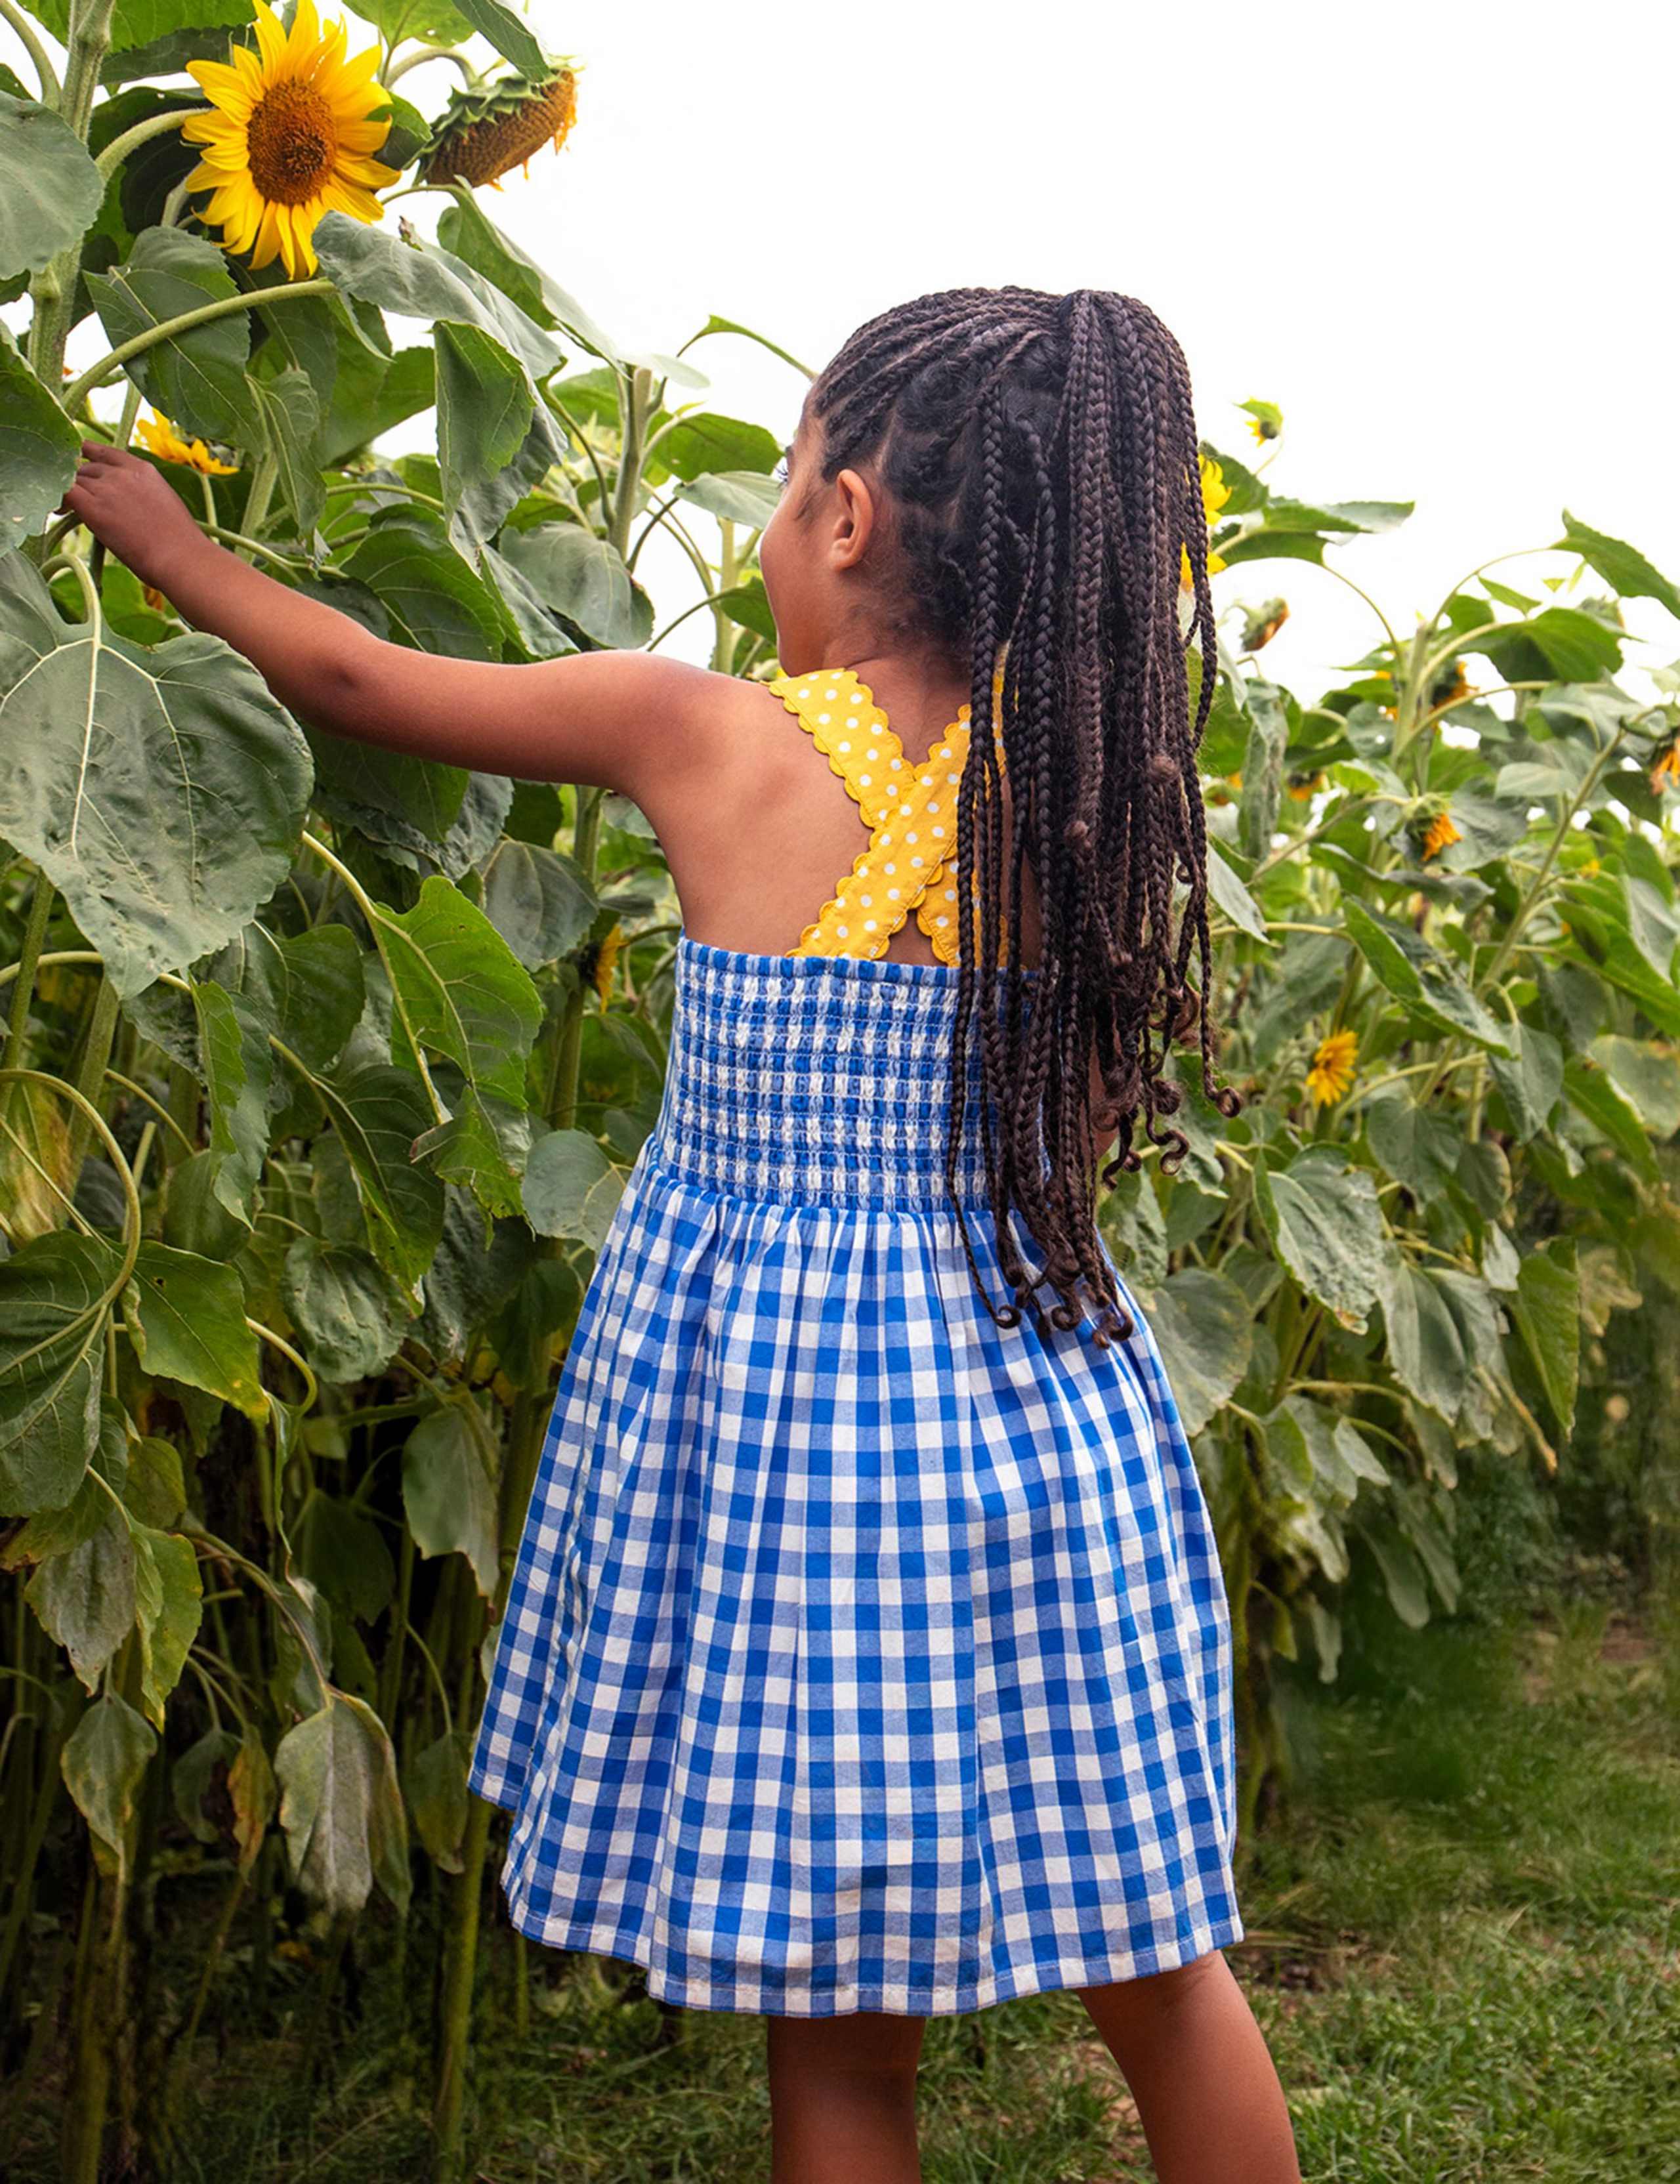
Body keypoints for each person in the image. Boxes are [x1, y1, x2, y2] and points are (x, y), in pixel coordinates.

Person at [58, 284, 1301, 2183]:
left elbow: (365, 684)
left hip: (804, 1462)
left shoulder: (701, 731)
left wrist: (164, 540)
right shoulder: (1077, 792)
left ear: (849, 517)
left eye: (786, 479)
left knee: (843, 2054)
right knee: (1169, 1972)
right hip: (1045, 1422)